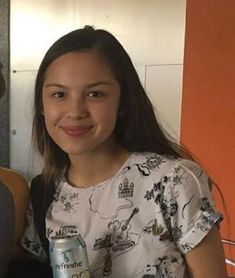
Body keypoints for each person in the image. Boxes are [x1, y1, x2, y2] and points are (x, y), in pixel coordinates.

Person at [20, 26, 227, 277]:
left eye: (95, 94)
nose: (75, 111)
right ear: (42, 105)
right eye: (59, 94)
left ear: (123, 102)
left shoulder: (174, 181)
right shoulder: (42, 194)